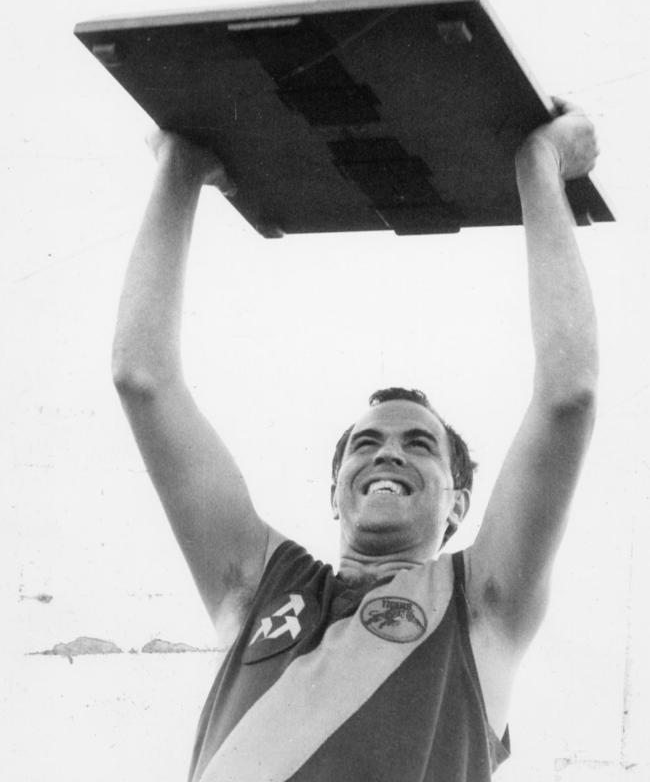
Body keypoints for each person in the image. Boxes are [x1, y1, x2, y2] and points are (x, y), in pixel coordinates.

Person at [111, 100, 599, 781]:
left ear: (458, 506)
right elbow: (143, 379)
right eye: (365, 444)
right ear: (334, 491)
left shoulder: (479, 604)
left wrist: (538, 167)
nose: (387, 452)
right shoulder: (258, 587)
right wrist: (178, 171)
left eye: (419, 445)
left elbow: (567, 396)